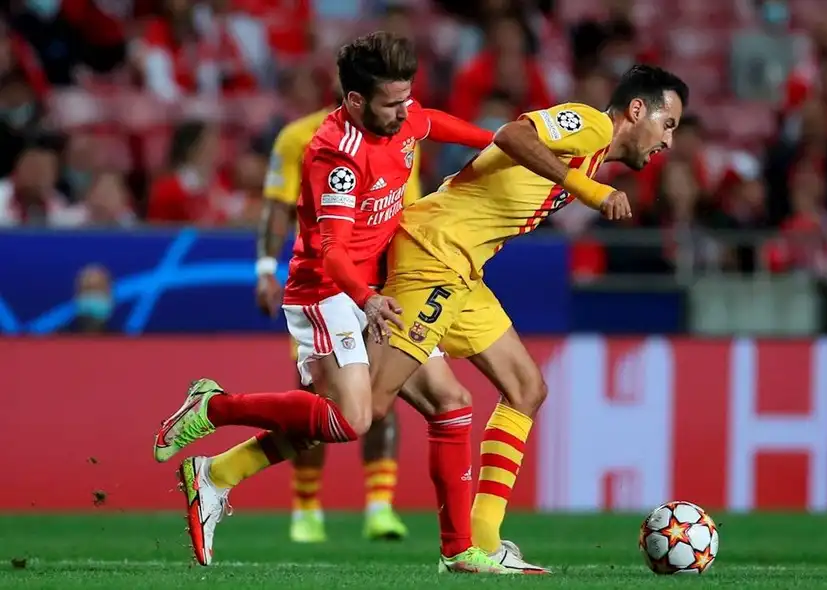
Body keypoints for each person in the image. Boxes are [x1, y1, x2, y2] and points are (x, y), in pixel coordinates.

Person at [152, 32, 520, 574]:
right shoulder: (336, 156)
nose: (404, 111)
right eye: (392, 103)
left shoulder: (402, 115)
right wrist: (366, 298)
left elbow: (431, 122)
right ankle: (213, 408)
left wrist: (496, 143)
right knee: (352, 420)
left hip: (382, 288)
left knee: (451, 403)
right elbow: (330, 251)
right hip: (329, 294)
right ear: (354, 101)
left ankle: (460, 550)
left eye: (405, 97)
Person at [363, 64, 687, 569]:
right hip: (434, 252)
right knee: (361, 407)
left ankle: (485, 541)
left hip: (463, 269)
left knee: (526, 387)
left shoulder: (596, 154)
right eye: (668, 124)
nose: (668, 141)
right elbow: (511, 133)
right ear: (638, 110)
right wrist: (585, 188)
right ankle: (221, 445)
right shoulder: (592, 125)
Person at [252, 93, 422, 544]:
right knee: (316, 394)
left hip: (382, 281)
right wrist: (266, 269)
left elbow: (410, 209)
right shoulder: (300, 138)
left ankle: (380, 507)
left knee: (382, 389)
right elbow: (276, 207)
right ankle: (306, 510)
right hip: (326, 285)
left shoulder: (403, 135)